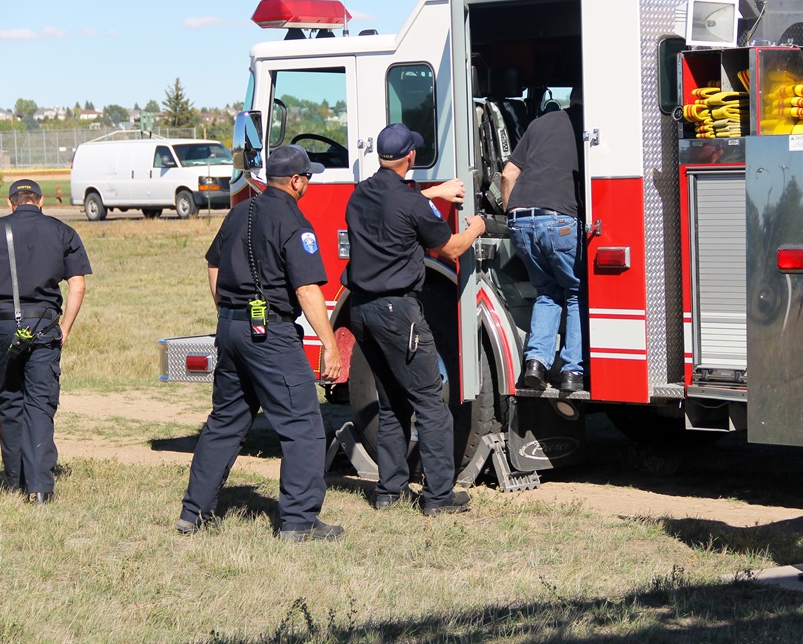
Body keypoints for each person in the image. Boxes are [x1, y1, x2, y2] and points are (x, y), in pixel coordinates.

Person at [177, 144, 343, 542]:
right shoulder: (294, 222)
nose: (309, 184)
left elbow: (213, 264)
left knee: (225, 422)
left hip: (231, 328)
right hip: (270, 334)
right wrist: (330, 345)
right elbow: (306, 290)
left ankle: (193, 513)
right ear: (296, 181)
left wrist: (226, 310)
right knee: (302, 425)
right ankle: (299, 521)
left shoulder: (240, 212)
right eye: (308, 178)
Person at [345, 123, 485, 516]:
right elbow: (451, 248)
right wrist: (476, 227)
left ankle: (390, 492)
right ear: (411, 156)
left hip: (361, 311)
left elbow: (397, 205)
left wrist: (433, 194)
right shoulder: (410, 203)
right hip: (397, 313)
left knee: (391, 403)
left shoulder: (360, 193)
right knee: (430, 402)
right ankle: (439, 497)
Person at [0, 179, 90, 503]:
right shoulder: (62, 232)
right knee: (40, 404)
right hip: (45, 327)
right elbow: (78, 286)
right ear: (41, 200)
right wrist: (66, 328)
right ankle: (40, 489)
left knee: (9, 400)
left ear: (10, 203)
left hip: (1, 325)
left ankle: (15, 482)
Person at [500, 105, 584, 392]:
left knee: (547, 292)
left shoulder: (541, 123)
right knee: (575, 292)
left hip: (520, 219)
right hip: (560, 219)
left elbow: (508, 174)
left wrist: (510, 214)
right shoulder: (588, 123)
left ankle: (535, 363)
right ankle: (572, 370)